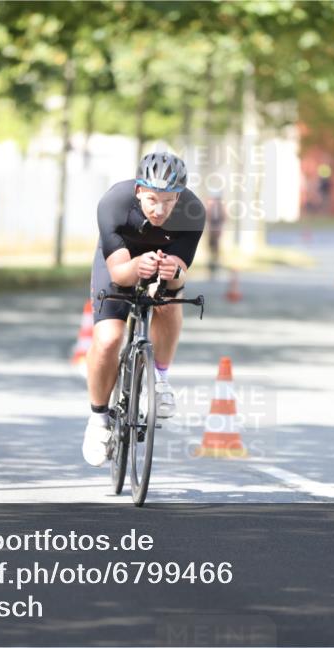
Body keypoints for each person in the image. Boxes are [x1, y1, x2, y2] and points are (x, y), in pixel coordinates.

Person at [82, 151, 205, 466]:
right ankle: (98, 419)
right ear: (138, 191)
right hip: (121, 261)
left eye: (168, 200)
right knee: (109, 338)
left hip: (162, 261)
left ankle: (160, 380)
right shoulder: (115, 203)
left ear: (179, 196)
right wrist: (138, 265)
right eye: (152, 200)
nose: (160, 209)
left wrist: (173, 272)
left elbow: (178, 277)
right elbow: (120, 274)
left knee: (168, 301)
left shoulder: (193, 212)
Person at [205, 189, 225, 280]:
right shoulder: (210, 205)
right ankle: (211, 266)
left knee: (216, 249)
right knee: (210, 248)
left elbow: (223, 217)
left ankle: (215, 265)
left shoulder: (220, 206)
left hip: (217, 228)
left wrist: (219, 228)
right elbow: (207, 216)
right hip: (211, 229)